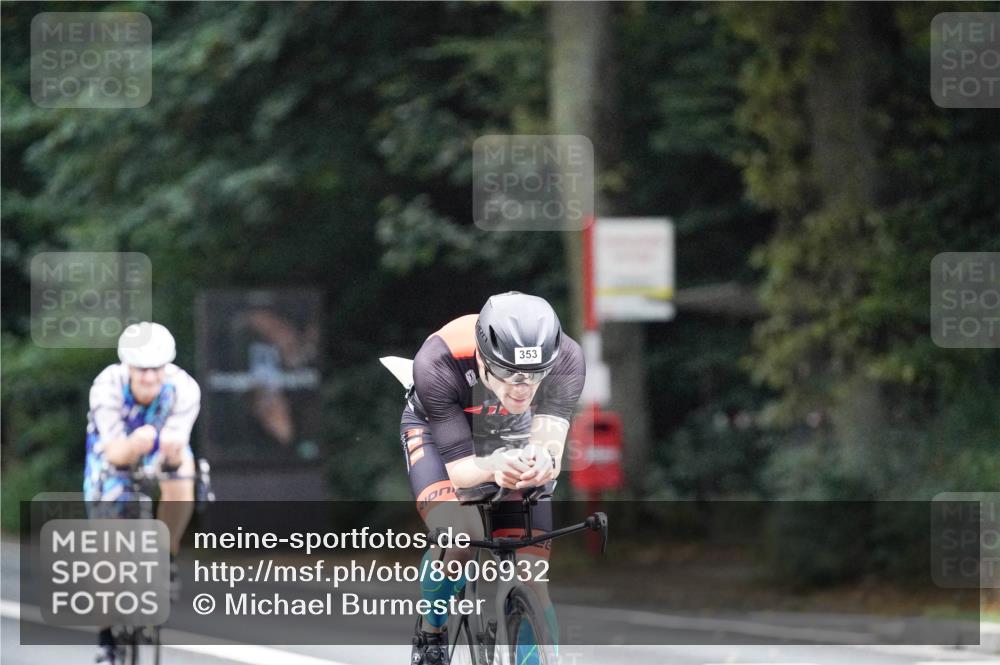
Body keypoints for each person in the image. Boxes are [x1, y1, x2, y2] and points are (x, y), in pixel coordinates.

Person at [401, 292, 585, 665]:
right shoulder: (438, 361)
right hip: (444, 438)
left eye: (535, 376)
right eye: (507, 374)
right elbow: (464, 474)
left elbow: (549, 446)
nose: (521, 388)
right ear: (483, 359)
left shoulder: (567, 358)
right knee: (462, 534)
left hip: (513, 436)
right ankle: (431, 633)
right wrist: (494, 466)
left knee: (533, 574)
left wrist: (542, 462)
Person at [83, 321, 201, 663]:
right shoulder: (107, 386)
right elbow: (115, 452)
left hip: (162, 448)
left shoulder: (184, 388)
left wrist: (172, 452)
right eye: (141, 370)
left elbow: (177, 448)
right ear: (127, 367)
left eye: (156, 369)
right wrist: (136, 444)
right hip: (115, 450)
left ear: (167, 367)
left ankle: (166, 555)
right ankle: (107, 640)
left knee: (185, 474)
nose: (149, 378)